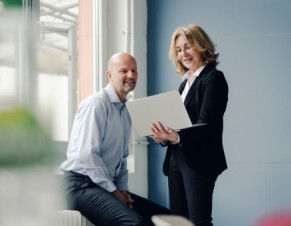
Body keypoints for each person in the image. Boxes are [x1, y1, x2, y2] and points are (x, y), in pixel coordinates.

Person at [60, 52, 171, 226]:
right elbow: (87, 157)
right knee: (134, 223)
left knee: (164, 217)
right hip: (79, 185)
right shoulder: (97, 104)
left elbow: (122, 160)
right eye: (124, 71)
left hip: (102, 185)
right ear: (109, 74)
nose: (131, 75)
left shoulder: (124, 111)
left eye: (134, 70)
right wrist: (113, 192)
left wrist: (123, 191)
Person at [149, 24, 228, 226]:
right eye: (179, 49)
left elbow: (207, 123)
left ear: (201, 46)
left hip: (200, 159)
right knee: (178, 222)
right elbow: (180, 124)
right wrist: (164, 136)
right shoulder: (185, 84)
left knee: (198, 221)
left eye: (188, 46)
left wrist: (176, 137)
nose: (183, 53)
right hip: (176, 158)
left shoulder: (213, 78)